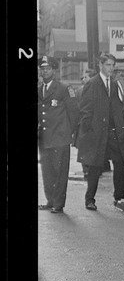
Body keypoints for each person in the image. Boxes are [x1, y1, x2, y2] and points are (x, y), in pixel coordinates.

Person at [77, 53, 124, 211]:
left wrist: (122, 126)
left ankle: (120, 193)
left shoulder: (116, 84)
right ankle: (89, 199)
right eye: (108, 65)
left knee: (122, 161)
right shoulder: (92, 84)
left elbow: (118, 106)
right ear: (100, 65)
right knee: (96, 166)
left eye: (113, 65)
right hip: (98, 133)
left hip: (114, 132)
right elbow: (85, 110)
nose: (111, 68)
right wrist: (90, 130)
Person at [38, 56, 79, 213]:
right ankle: (50, 200)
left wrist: (68, 132)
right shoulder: (40, 89)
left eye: (48, 68)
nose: (45, 71)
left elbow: (74, 113)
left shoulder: (64, 88)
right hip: (45, 138)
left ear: (54, 70)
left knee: (60, 172)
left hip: (60, 138)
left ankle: (58, 203)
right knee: (47, 172)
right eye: (42, 69)